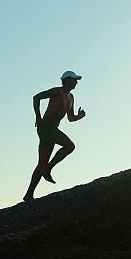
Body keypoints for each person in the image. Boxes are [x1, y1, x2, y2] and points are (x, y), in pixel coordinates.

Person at [23, 71, 86, 202]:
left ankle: (28, 194)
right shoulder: (57, 92)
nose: (77, 82)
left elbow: (70, 117)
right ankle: (48, 169)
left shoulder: (71, 97)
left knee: (41, 163)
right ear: (67, 80)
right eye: (74, 80)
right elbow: (36, 97)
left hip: (52, 129)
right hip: (46, 127)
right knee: (70, 146)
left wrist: (80, 116)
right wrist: (38, 117)